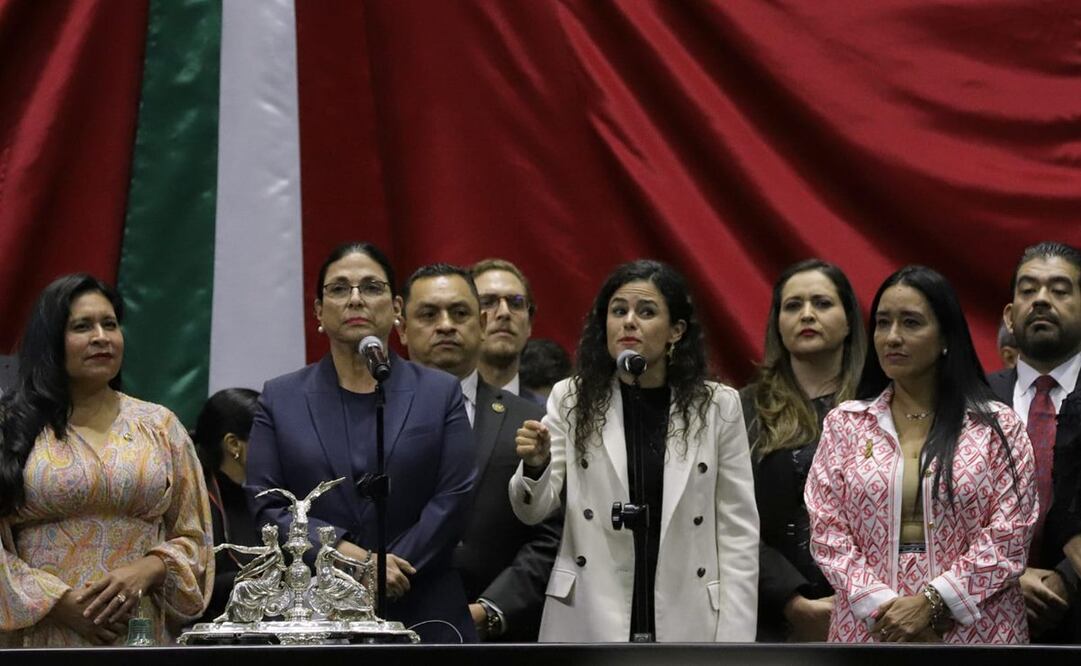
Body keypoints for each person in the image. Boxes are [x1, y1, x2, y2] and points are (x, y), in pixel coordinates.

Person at [510, 259, 759, 642]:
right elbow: (533, 510)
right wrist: (536, 464)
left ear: (676, 331)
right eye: (618, 311)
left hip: (688, 612)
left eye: (646, 312)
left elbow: (737, 530)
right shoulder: (571, 398)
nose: (629, 322)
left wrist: (735, 640)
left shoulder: (717, 405)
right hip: (589, 612)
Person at [245, 242, 477, 643]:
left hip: (424, 604)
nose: (355, 298)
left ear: (397, 308)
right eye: (339, 289)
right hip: (317, 608)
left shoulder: (439, 393)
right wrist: (358, 562)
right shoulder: (281, 398)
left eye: (371, 287)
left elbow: (454, 495)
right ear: (318, 312)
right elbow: (269, 506)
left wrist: (393, 569)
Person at [806, 265, 1036, 643]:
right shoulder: (844, 425)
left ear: (946, 336)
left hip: (977, 631)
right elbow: (828, 533)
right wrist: (885, 609)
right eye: (883, 323)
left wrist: (932, 603)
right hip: (870, 631)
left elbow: (1011, 534)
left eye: (911, 323)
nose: (892, 337)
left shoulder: (997, 426)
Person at [0, 274, 213, 647]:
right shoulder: (11, 428)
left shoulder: (159, 426)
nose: (101, 337)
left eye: (110, 324)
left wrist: (149, 569)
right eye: (82, 326)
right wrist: (57, 601)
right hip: (42, 636)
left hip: (139, 634)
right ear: (51, 341)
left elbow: (195, 538)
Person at [398, 264, 560, 641]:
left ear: (482, 324)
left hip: (499, 635)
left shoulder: (533, 420)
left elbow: (553, 534)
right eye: (428, 314)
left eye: (460, 313)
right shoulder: (370, 416)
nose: (446, 325)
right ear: (401, 327)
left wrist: (491, 609)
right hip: (391, 625)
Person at [740, 259, 866, 641]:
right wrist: (790, 600)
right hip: (767, 615)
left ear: (849, 321)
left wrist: (860, 598)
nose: (807, 314)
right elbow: (726, 518)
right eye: (793, 306)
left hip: (875, 614)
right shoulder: (742, 408)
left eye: (822, 303)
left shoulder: (883, 404)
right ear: (778, 322)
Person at [988, 241, 1081, 642]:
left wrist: (1066, 579)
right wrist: (1006, 578)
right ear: (1010, 315)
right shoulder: (970, 399)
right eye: (1028, 290)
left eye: (1059, 290)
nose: (1041, 299)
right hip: (984, 616)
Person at [191, 387, 261, 624]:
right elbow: (197, 589)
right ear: (233, 444)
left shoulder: (259, 498)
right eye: (268, 437)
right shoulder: (194, 500)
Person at [472, 259, 543, 404]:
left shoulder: (551, 418)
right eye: (487, 302)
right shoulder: (440, 409)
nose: (504, 312)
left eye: (516, 303)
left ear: (529, 324)